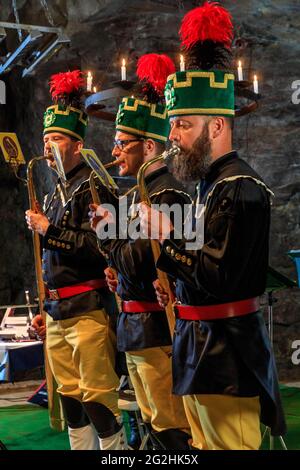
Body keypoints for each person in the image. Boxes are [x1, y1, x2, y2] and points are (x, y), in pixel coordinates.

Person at [139, 3, 286, 450]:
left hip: (227, 356)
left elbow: (222, 277)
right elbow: (200, 264)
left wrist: (165, 239)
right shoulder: (207, 187)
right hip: (198, 346)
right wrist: (178, 286)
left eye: (183, 123)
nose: (173, 136)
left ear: (217, 124)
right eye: (172, 125)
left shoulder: (239, 186)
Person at [90, 54, 191, 449]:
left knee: (171, 430)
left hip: (157, 328)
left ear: (149, 145)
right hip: (135, 329)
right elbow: (125, 266)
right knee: (153, 425)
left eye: (122, 144)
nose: (115, 151)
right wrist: (115, 258)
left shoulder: (167, 193)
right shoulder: (134, 196)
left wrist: (108, 238)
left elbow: (137, 262)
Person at [25, 70, 126, 450]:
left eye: (57, 138)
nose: (48, 145)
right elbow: (52, 261)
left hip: (89, 308)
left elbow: (102, 246)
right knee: (70, 399)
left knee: (97, 398)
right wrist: (44, 306)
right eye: (46, 137)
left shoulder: (93, 186)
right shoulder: (54, 194)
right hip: (59, 310)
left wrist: (50, 231)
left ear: (77, 144)